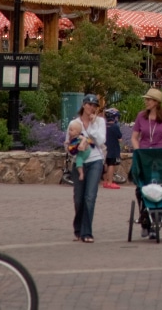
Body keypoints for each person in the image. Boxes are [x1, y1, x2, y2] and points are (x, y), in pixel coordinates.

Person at [68, 94, 107, 243]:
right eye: (89, 104)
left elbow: (101, 140)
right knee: (79, 199)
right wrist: (75, 148)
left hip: (95, 160)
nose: (92, 108)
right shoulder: (74, 122)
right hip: (79, 162)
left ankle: (87, 232)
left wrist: (92, 128)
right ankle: (78, 228)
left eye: (94, 106)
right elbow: (69, 142)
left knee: (90, 197)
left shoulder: (100, 122)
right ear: (84, 105)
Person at [101, 108, 123, 189]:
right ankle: (110, 182)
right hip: (113, 149)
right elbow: (120, 138)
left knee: (106, 164)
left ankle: (105, 181)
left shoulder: (103, 126)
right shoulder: (115, 127)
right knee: (111, 165)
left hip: (104, 148)